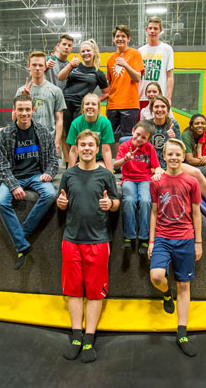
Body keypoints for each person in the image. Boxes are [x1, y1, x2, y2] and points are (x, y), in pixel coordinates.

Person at [57, 129, 120, 363]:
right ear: (77, 148)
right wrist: (61, 203)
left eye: (90, 145)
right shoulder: (69, 174)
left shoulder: (105, 175)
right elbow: (61, 202)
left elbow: (116, 203)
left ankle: (89, 338)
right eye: (82, 145)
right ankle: (76, 336)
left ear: (97, 148)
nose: (86, 148)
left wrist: (109, 203)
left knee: (95, 293)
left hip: (99, 241)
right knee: (73, 291)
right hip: (71, 240)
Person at [148, 138, 201, 357]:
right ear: (164, 156)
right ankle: (166, 294)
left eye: (177, 154)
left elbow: (196, 213)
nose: (174, 158)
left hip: (185, 238)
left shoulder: (191, 181)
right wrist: (151, 241)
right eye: (170, 154)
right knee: (157, 276)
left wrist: (198, 242)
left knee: (184, 285)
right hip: (162, 236)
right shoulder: (156, 181)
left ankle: (181, 332)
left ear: (182, 156)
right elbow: (153, 212)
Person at [0, 94, 58, 270]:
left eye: (27, 109)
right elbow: (1, 164)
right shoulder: (5, 134)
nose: (24, 113)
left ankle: (22, 233)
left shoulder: (43, 132)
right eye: (20, 109)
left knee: (50, 194)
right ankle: (22, 245)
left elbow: (54, 158)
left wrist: (49, 173)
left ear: (33, 110)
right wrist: (13, 185)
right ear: (14, 111)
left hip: (36, 175)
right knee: (0, 202)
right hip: (14, 176)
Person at [145, 96, 206, 225]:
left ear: (167, 109)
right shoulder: (148, 124)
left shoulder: (173, 123)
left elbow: (179, 148)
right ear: (152, 109)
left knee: (198, 173)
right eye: (156, 107)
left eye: (163, 107)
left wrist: (173, 138)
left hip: (172, 162)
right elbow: (145, 149)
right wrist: (155, 167)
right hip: (154, 165)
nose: (159, 109)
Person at [0, 51, 66, 159]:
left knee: (44, 175)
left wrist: (56, 143)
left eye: (40, 65)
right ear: (29, 66)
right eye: (34, 65)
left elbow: (59, 120)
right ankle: (0, 166)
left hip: (45, 140)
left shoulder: (56, 91)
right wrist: (24, 98)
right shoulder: (21, 91)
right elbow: (14, 118)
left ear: (45, 67)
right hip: (24, 140)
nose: (37, 68)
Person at [58, 39, 109, 167]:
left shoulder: (98, 73)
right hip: (65, 103)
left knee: (78, 135)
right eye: (83, 51)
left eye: (88, 51)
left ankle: (82, 162)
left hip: (81, 106)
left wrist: (93, 102)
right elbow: (60, 77)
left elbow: (106, 93)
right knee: (65, 134)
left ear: (94, 52)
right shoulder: (74, 66)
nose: (85, 53)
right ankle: (70, 163)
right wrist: (70, 65)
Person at [114, 121, 162, 255]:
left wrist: (158, 171)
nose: (139, 139)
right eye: (138, 134)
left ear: (148, 139)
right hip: (128, 179)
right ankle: (129, 237)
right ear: (133, 130)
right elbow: (116, 166)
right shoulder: (124, 145)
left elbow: (156, 166)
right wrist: (125, 159)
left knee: (146, 201)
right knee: (129, 201)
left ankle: (144, 238)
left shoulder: (149, 148)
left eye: (144, 137)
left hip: (144, 180)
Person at [106, 25, 145, 147]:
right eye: (117, 36)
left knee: (128, 137)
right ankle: (118, 165)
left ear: (128, 38)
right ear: (113, 39)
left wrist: (125, 65)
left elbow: (137, 77)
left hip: (129, 103)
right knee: (115, 138)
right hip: (113, 104)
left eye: (123, 36)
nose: (120, 39)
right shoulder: (110, 59)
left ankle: (127, 165)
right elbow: (110, 83)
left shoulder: (134, 54)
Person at [66, 93, 114, 172]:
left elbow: (106, 150)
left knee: (102, 172)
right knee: (78, 172)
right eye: (87, 104)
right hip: (82, 157)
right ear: (83, 108)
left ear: (98, 108)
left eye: (94, 104)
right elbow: (74, 150)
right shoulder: (76, 123)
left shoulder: (105, 123)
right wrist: (69, 174)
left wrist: (110, 174)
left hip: (98, 159)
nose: (90, 106)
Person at [138, 16, 174, 110]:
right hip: (142, 97)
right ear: (146, 30)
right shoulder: (140, 51)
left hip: (160, 97)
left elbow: (170, 75)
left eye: (155, 28)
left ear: (160, 30)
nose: (152, 31)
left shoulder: (167, 49)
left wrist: (168, 97)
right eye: (150, 28)